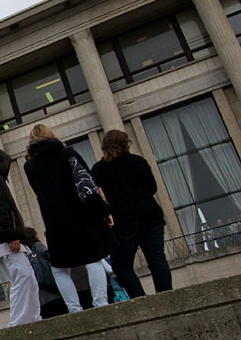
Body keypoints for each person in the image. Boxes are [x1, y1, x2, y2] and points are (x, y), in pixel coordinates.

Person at [23, 124, 113, 313]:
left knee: (60, 268)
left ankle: (74, 309)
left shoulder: (30, 166)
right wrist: (104, 211)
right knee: (94, 259)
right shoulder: (68, 154)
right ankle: (100, 304)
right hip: (82, 214)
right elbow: (87, 183)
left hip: (55, 220)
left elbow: (39, 193)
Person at [91, 129, 173, 298]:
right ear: (126, 143)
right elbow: (152, 187)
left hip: (123, 221)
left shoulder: (99, 169)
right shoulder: (139, 161)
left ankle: (140, 299)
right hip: (150, 216)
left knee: (122, 265)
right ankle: (166, 297)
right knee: (157, 259)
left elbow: (100, 197)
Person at [0, 148, 41, 326]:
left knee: (25, 278)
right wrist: (11, 235)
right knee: (23, 277)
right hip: (5, 241)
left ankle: (30, 318)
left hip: (1, 241)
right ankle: (20, 322)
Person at [20, 228, 67, 319]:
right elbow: (51, 257)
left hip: (40, 296)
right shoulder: (37, 246)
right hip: (52, 291)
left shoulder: (24, 253)